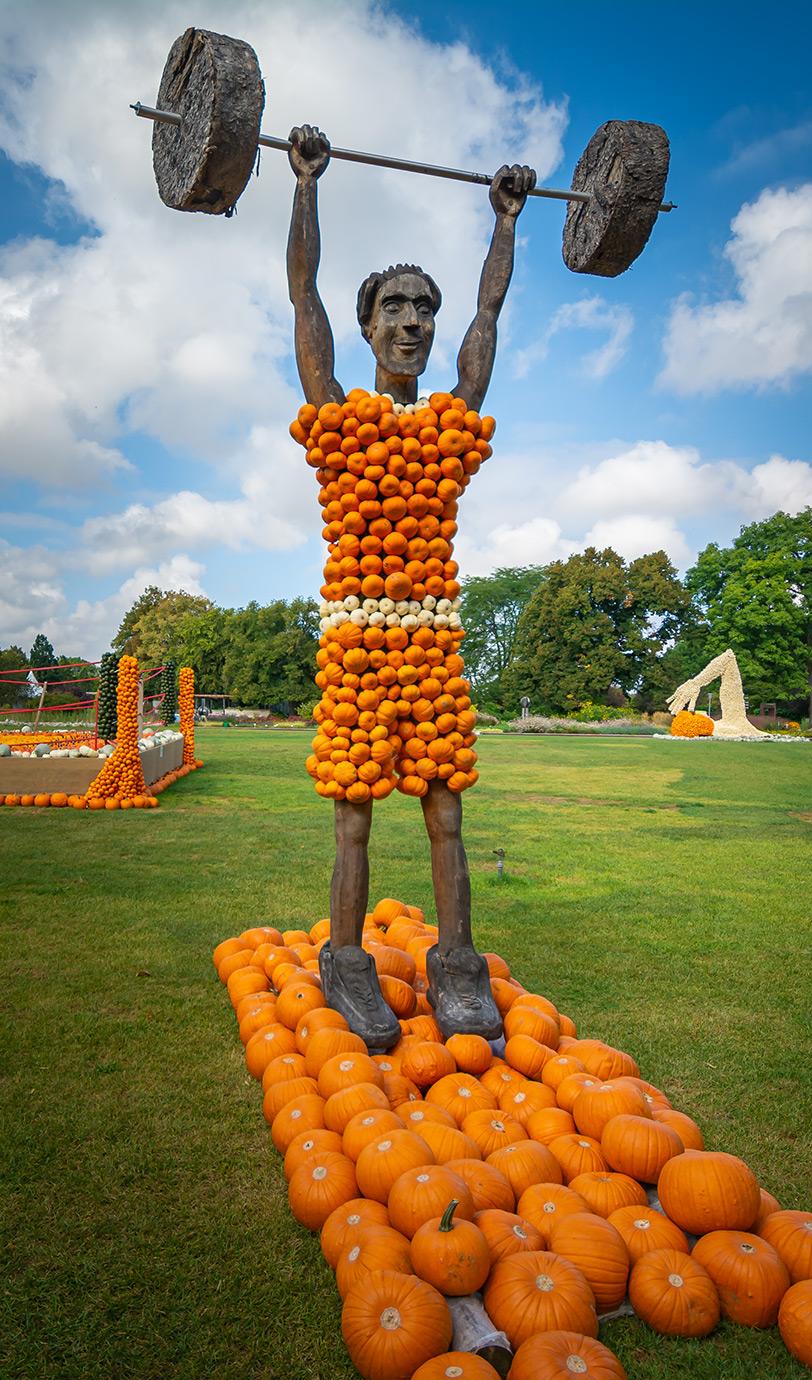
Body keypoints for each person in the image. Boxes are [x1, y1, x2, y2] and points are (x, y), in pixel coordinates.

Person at [286, 124, 535, 1048]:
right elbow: (303, 295)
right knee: (352, 813)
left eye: (422, 307)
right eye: (394, 306)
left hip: (430, 644)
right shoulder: (338, 420)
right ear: (368, 325)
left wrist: (504, 224)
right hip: (357, 641)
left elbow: (487, 329)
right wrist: (306, 188)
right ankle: (345, 962)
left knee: (445, 808)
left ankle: (458, 966)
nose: (411, 321)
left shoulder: (448, 426)